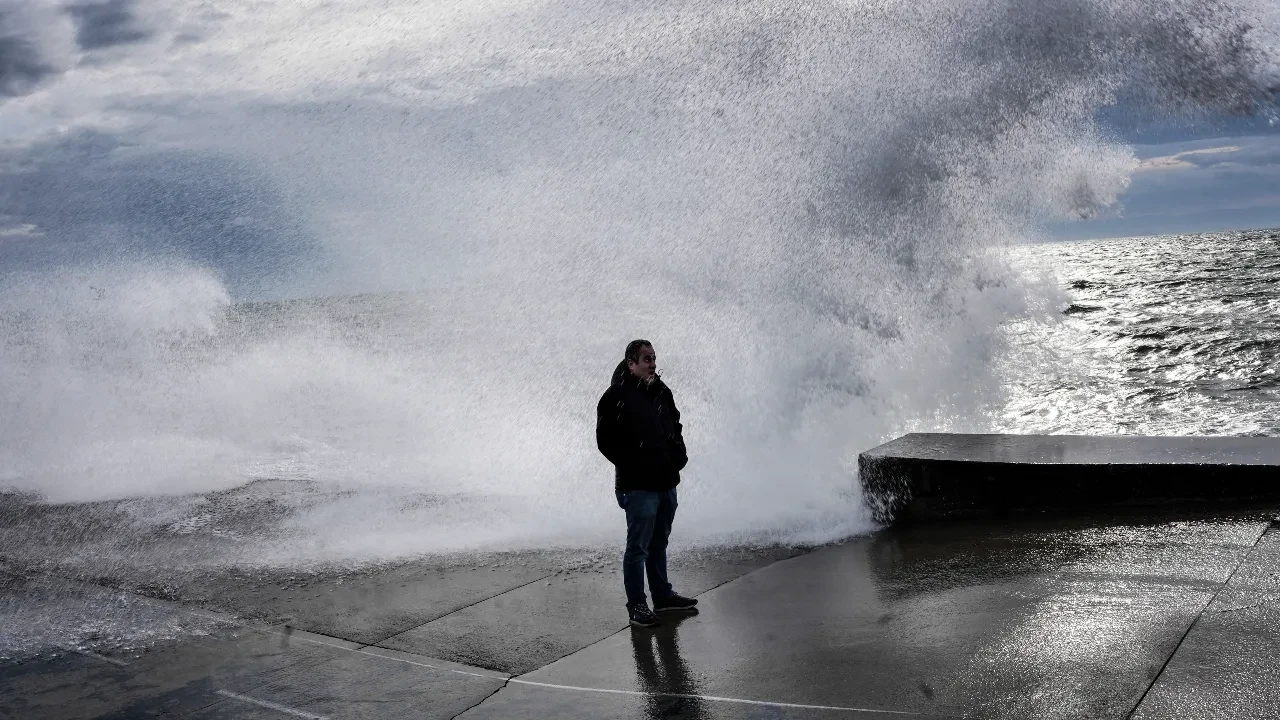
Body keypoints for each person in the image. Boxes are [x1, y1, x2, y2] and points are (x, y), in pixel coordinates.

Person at [596, 339, 699, 628]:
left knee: (659, 542)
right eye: (646, 359)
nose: (652, 364)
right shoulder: (616, 396)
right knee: (638, 547)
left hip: (666, 482)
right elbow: (605, 442)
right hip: (638, 486)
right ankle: (637, 606)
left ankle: (662, 597)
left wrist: (678, 454)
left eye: (654, 358)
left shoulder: (661, 391)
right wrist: (636, 464)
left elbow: (674, 424)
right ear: (631, 364)